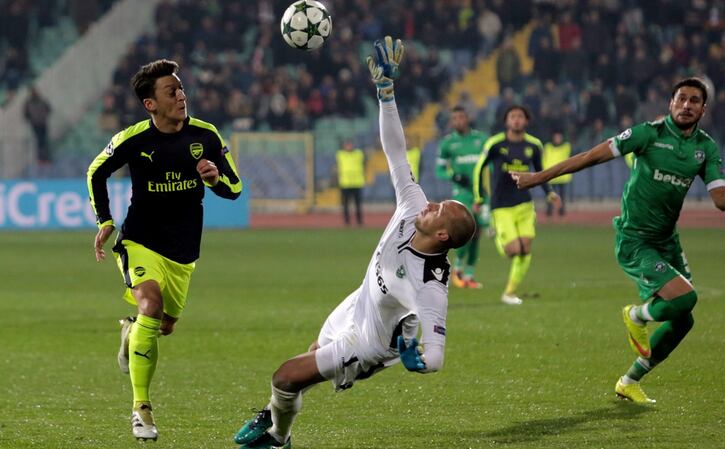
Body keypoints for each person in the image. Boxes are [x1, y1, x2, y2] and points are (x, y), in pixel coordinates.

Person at [233, 36, 476, 449]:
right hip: (359, 302)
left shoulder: (429, 283)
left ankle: (277, 434)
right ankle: (278, 425)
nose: (430, 204)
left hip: (368, 344)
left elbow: (437, 354)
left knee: (284, 377)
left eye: (439, 210)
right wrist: (386, 94)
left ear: (441, 235)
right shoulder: (413, 205)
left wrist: (417, 360)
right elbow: (396, 152)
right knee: (311, 353)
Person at [511, 77, 725, 403]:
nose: (686, 105)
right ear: (670, 103)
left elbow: (720, 200)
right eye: (681, 98)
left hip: (667, 240)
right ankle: (636, 315)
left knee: (683, 320)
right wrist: (537, 178)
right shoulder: (647, 134)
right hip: (635, 239)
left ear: (703, 109)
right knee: (686, 298)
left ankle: (629, 381)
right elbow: (589, 156)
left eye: (694, 100)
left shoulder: (705, 148)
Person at [87, 59, 242, 440]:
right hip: (140, 240)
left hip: (183, 251)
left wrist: (215, 180)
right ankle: (141, 409)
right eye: (171, 91)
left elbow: (235, 188)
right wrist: (105, 220)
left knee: (164, 326)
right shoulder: (133, 139)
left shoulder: (206, 135)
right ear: (150, 104)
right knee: (150, 305)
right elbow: (96, 171)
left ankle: (131, 332)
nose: (181, 96)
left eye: (181, 88)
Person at [473, 105, 561, 305]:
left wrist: (549, 193)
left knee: (525, 248)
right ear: (507, 121)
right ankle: (495, 230)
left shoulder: (534, 145)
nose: (516, 120)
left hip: (524, 204)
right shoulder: (495, 144)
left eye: (520, 116)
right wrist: (479, 197)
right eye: (512, 116)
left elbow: (541, 172)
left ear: (526, 121)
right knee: (513, 250)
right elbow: (479, 168)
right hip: (501, 205)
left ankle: (510, 292)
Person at [436, 105, 488, 288]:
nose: (457, 121)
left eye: (461, 117)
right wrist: (454, 176)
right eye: (454, 118)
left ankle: (469, 275)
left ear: (467, 119)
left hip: (481, 192)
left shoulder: (481, 139)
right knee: (468, 230)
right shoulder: (447, 143)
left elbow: (491, 163)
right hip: (462, 193)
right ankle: (457, 270)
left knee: (477, 234)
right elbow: (439, 170)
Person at [335, 140, 366, 226]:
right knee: (345, 204)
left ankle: (359, 221)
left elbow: (364, 162)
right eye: (347, 145)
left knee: (358, 204)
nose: (349, 146)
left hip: (357, 183)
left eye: (350, 145)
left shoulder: (358, 154)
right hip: (345, 183)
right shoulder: (340, 154)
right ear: (344, 146)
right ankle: (346, 221)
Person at [542, 130, 572, 217]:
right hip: (551, 176)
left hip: (562, 176)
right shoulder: (548, 147)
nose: (558, 139)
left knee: (562, 195)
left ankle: (561, 210)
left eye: (559, 137)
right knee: (550, 194)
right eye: (556, 137)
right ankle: (549, 210)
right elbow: (544, 159)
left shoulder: (566, 147)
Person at [23, 87, 52, 169]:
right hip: (36, 124)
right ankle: (41, 159)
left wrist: (43, 116)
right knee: (40, 142)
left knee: (44, 141)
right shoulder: (28, 103)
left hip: (42, 123)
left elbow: (49, 109)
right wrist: (32, 120)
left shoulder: (42, 101)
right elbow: (25, 114)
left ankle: (46, 159)